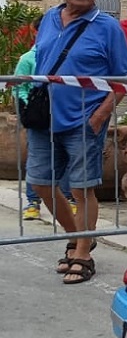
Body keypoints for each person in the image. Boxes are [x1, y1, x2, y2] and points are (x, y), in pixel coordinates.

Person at [27, 0, 127, 285]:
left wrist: (100, 116)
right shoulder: (48, 18)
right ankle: (78, 237)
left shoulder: (108, 27)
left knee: (81, 188)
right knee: (42, 183)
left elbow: (123, 75)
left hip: (83, 121)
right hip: (43, 119)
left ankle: (83, 253)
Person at [13, 45, 75, 221]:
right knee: (36, 162)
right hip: (38, 117)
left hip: (63, 115)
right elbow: (18, 86)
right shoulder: (28, 58)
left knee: (66, 158)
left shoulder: (67, 56)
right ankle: (33, 202)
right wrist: (29, 109)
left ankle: (67, 198)